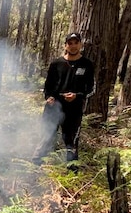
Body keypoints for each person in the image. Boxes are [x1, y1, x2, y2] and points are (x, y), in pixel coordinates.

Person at [32, 32, 95, 168]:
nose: (73, 46)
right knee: (47, 135)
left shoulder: (87, 64)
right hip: (53, 106)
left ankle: (71, 170)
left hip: (74, 109)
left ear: (80, 44)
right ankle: (36, 165)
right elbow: (48, 86)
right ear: (65, 45)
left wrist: (77, 96)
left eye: (76, 43)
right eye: (70, 43)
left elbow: (91, 89)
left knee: (71, 140)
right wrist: (49, 97)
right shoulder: (56, 63)